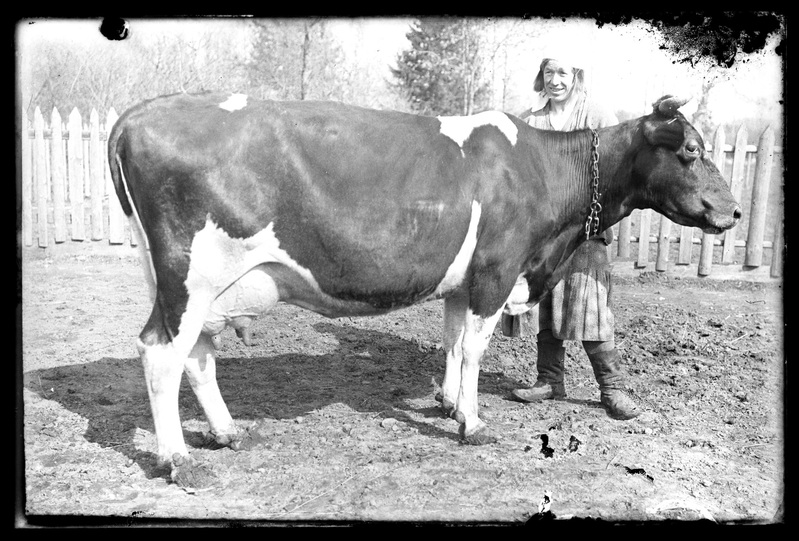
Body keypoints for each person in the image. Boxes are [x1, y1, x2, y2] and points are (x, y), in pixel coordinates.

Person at [509, 51, 641, 420]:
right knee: (545, 301)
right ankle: (549, 380)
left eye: (563, 72)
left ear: (576, 75)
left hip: (587, 228)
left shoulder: (597, 115)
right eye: (549, 72)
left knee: (591, 304)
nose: (555, 80)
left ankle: (611, 388)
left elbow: (616, 168)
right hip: (542, 231)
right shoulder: (530, 120)